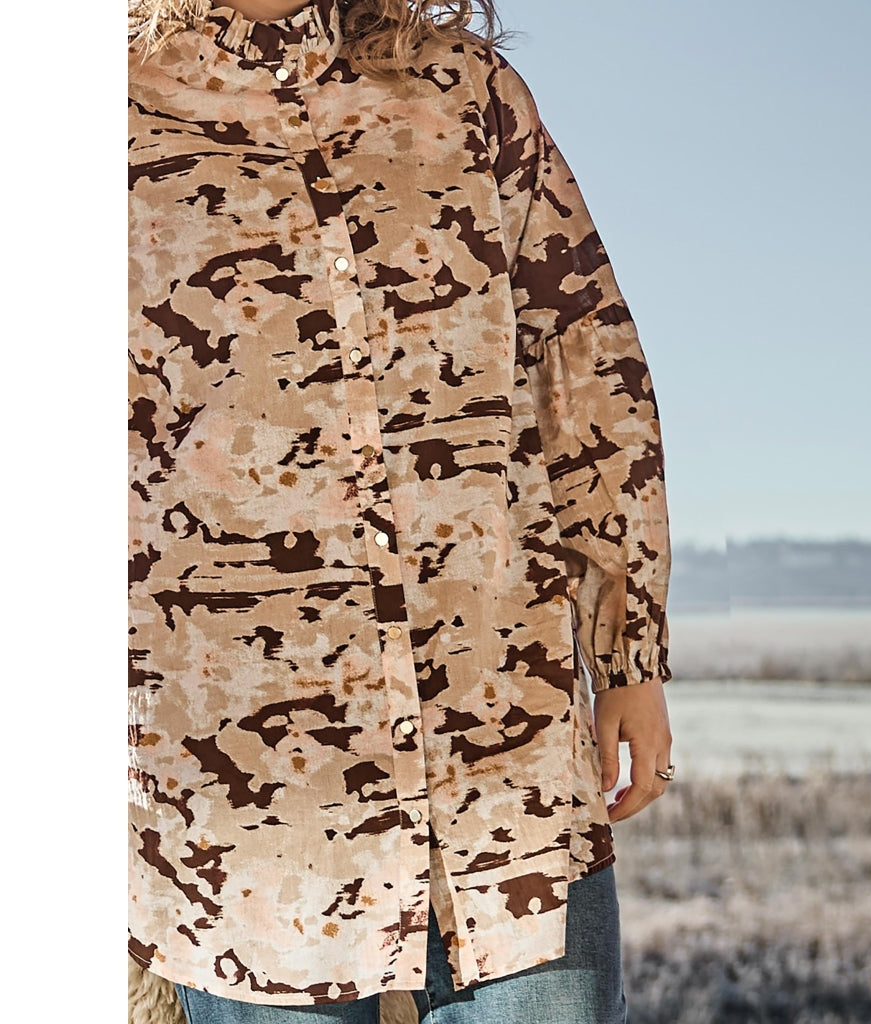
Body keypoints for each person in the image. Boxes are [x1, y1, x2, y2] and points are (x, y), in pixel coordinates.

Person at [127, 1, 675, 1021]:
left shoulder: (462, 91)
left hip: (506, 777)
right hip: (245, 818)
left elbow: (585, 367)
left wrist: (628, 655)